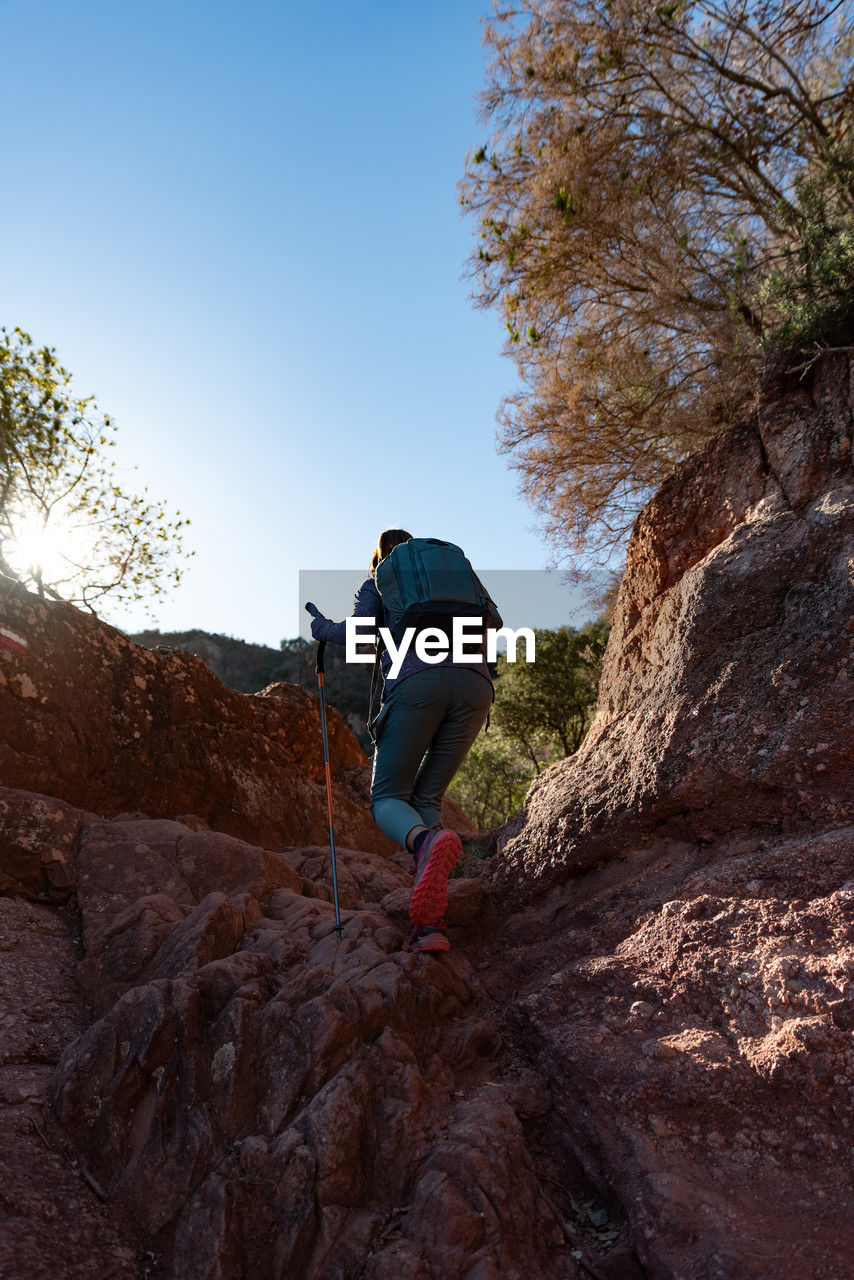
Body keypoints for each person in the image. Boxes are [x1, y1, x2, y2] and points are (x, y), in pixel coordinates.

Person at [309, 528, 494, 954]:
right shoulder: (455, 579)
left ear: (380, 555)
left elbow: (355, 634)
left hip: (418, 682)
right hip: (476, 685)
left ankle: (425, 842)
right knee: (427, 800)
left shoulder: (382, 576)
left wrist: (320, 625)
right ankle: (430, 925)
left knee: (388, 799)